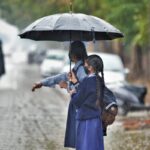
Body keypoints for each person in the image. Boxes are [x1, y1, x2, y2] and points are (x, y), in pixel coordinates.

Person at [32, 41, 88, 148]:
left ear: (73, 54)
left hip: (81, 111)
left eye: (70, 50)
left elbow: (84, 90)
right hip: (79, 110)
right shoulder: (78, 68)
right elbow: (60, 77)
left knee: (82, 142)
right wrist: (42, 83)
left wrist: (67, 87)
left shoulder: (81, 70)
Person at [69, 55, 105, 150]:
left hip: (85, 121)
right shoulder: (100, 80)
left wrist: (72, 94)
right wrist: (76, 83)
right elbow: (88, 93)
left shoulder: (86, 81)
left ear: (90, 67)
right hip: (96, 121)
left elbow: (77, 101)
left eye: (85, 64)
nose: (84, 65)